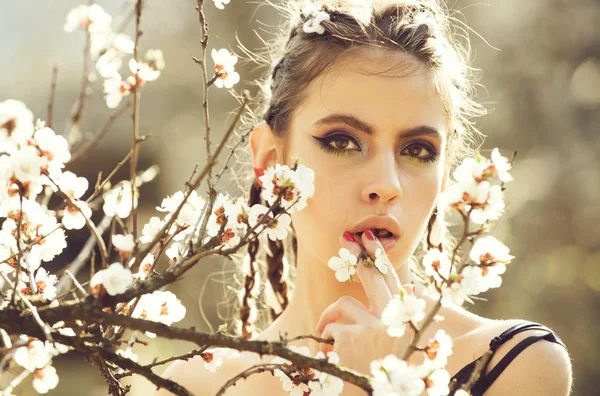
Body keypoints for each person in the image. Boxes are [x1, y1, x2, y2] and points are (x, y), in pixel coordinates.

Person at [156, 1, 572, 395]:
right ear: (271, 161)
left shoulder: (516, 363)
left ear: (444, 175)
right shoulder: (197, 384)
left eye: (417, 150)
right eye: (342, 141)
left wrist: (380, 384)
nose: (386, 184)